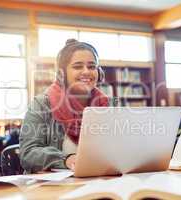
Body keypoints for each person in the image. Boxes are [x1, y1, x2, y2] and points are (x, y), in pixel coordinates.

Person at [19, 39, 114, 173]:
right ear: (62, 74)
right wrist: (66, 159)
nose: (86, 72)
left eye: (92, 66)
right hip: (51, 188)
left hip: (96, 181)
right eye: (77, 66)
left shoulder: (105, 105)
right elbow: (28, 153)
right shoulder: (41, 104)